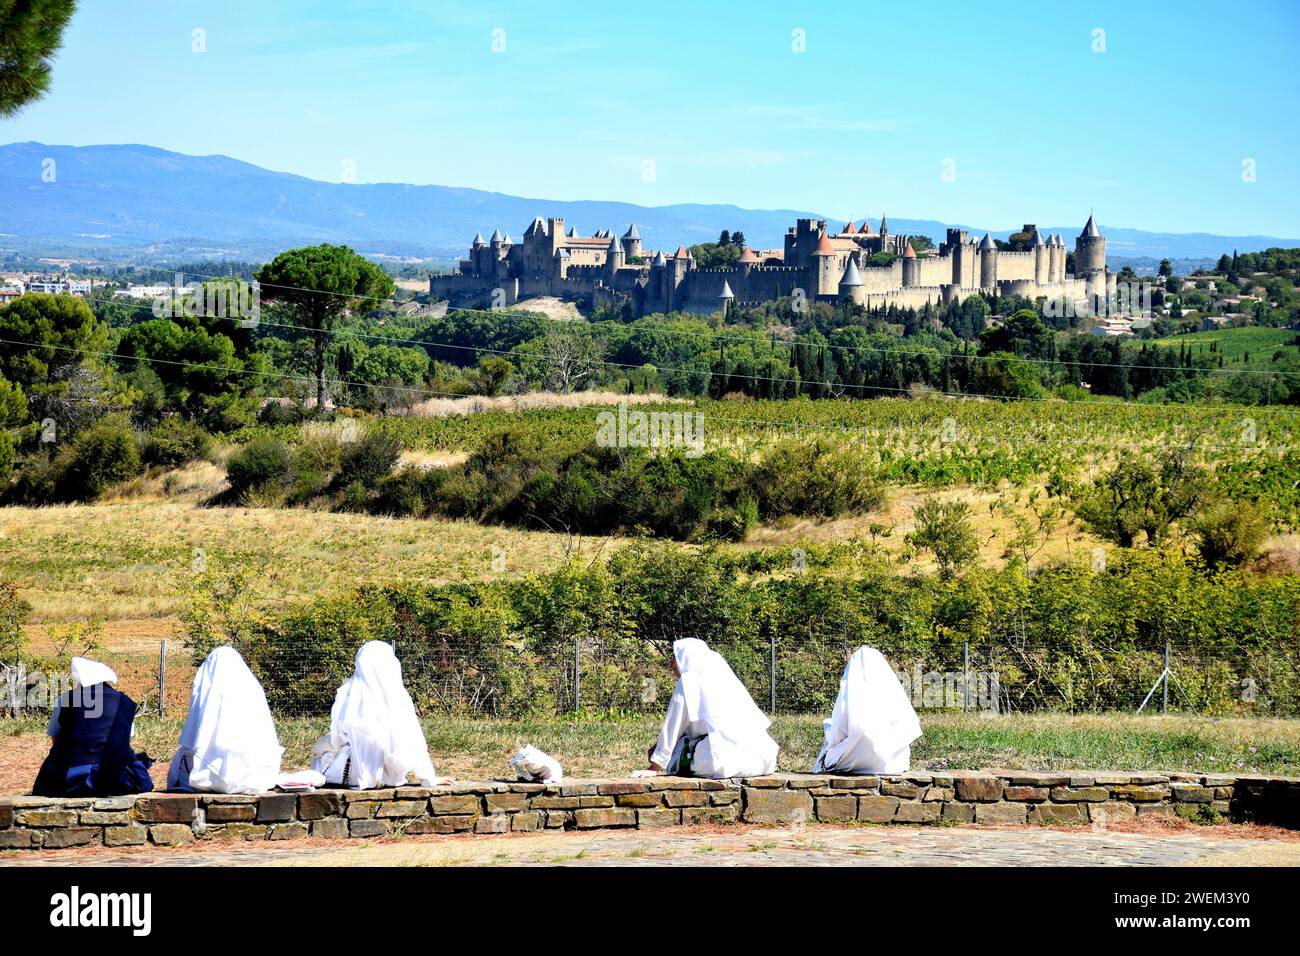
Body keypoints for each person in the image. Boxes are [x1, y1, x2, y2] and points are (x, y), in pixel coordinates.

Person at [310, 641, 449, 789]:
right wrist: (428, 778)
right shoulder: (399, 696)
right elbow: (414, 741)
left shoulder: (348, 692)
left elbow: (338, 738)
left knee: (321, 751)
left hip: (355, 775)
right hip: (392, 776)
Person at [638, 638, 778, 779]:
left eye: (675, 657)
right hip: (763, 759)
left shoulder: (687, 681)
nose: (672, 663)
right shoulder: (725, 679)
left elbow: (673, 726)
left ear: (686, 658)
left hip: (726, 762)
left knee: (678, 751)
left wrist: (655, 765)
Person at [167, 645, 283, 794]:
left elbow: (195, 736)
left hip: (209, 774)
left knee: (181, 761)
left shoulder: (208, 692)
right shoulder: (253, 690)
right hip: (254, 775)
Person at [33, 657, 154, 797]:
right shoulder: (125, 702)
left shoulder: (65, 700)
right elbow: (124, 741)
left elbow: (56, 741)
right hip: (116, 777)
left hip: (69, 778)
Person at [812, 646, 921, 776]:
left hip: (854, 759)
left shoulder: (851, 695)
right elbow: (908, 725)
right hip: (892, 763)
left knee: (829, 733)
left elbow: (838, 731)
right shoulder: (892, 693)